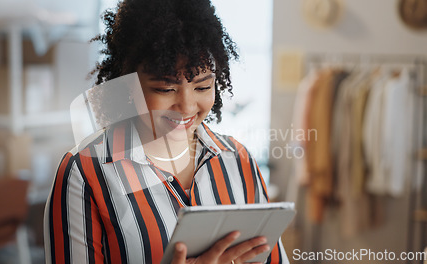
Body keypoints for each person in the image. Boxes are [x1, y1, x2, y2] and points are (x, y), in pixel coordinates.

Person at [44, 0, 289, 263]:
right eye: (165, 89)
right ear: (128, 85)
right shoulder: (85, 171)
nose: (186, 106)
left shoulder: (238, 160)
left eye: (203, 87)